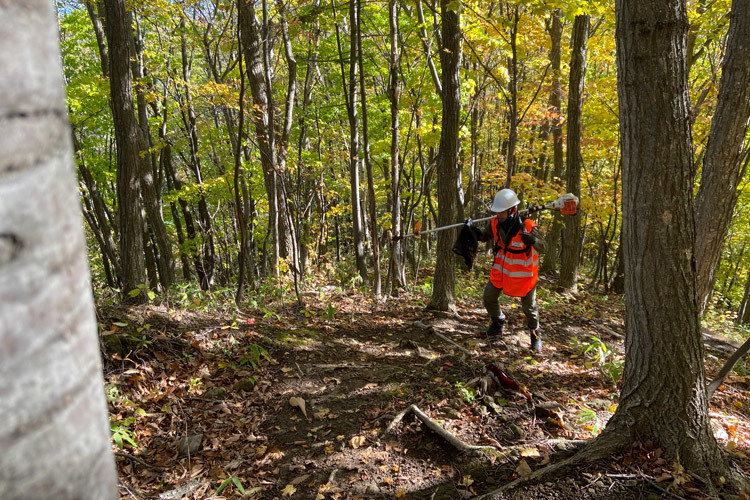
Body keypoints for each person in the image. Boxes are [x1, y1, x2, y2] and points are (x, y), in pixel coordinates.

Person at [478, 188, 547, 351]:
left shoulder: (528, 226)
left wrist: (532, 240)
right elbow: (484, 236)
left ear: (512, 209)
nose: (498, 215)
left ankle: (535, 336)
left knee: (530, 309)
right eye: (497, 211)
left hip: (524, 275)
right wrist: (470, 230)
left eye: (501, 212)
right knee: (489, 297)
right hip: (501, 270)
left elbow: (544, 247)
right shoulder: (495, 222)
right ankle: (497, 324)